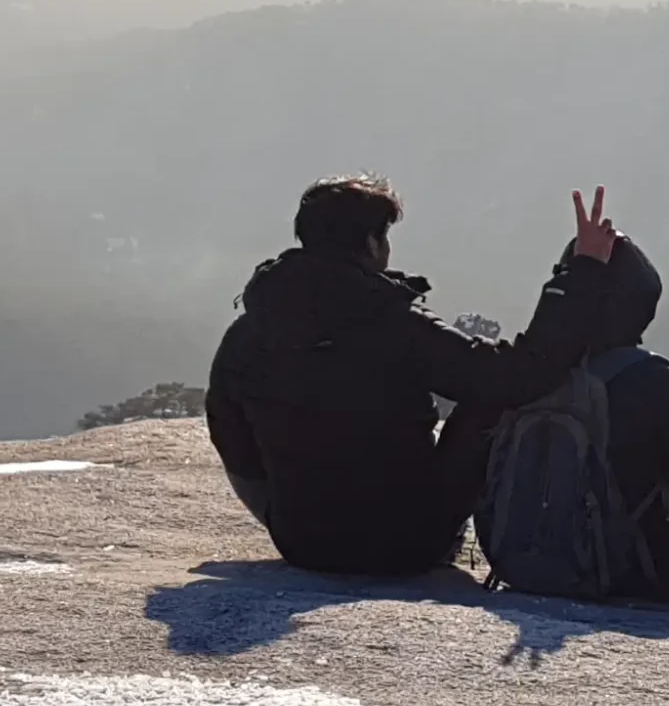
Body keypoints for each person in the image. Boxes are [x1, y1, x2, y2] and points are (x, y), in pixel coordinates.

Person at [205, 175, 620, 576]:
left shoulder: (250, 331)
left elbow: (229, 428)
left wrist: (282, 509)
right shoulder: (390, 322)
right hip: (404, 543)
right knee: (489, 398)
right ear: (370, 243)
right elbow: (516, 375)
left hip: (302, 543)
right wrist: (582, 273)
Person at [441, 234, 669, 599]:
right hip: (633, 576)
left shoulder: (519, 378)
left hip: (515, 563)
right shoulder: (657, 384)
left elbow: (457, 470)